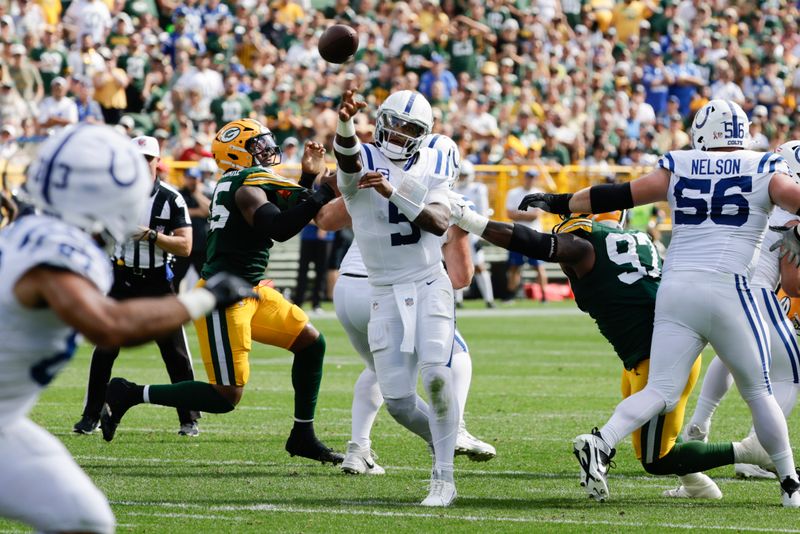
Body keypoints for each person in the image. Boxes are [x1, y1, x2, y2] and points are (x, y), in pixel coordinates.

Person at [514, 99, 800, 506]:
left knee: (662, 389)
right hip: (729, 288)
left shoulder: (681, 163)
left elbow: (619, 195)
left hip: (676, 289)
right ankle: (790, 484)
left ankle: (602, 440)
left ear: (702, 132)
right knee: (758, 391)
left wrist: (561, 201)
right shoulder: (764, 166)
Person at [0, 123, 252, 532]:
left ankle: (181, 417)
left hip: (6, 420)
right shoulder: (54, 249)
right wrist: (204, 298)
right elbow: (109, 327)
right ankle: (92, 414)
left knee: (86, 518)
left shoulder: (41, 233)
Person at [100, 119, 345, 465]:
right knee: (226, 395)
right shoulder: (245, 185)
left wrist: (308, 180)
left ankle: (302, 434)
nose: (267, 151)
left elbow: (288, 211)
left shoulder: (244, 181)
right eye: (257, 145)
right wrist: (321, 191)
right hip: (224, 294)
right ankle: (130, 393)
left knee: (310, 342)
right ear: (236, 153)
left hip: (252, 289)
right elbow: (279, 227)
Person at [316, 134, 496, 477]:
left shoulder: (383, 177)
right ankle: (454, 430)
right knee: (456, 355)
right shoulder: (446, 200)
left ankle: (358, 448)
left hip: (347, 288)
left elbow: (325, 220)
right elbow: (460, 278)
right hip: (391, 292)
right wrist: (461, 233)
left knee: (379, 370)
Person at [333, 89, 459, 506]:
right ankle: (446, 438)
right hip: (383, 289)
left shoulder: (433, 161)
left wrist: (393, 191)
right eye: (395, 123)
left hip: (427, 281)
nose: (399, 133)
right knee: (400, 403)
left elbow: (440, 222)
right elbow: (349, 165)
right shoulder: (362, 157)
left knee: (438, 377)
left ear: (423, 134)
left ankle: (444, 477)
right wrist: (346, 124)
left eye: (410, 128)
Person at [683, 139, 800, 479]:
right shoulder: (789, 213)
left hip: (712, 287)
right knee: (788, 375)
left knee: (730, 357)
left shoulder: (756, 193)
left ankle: (699, 424)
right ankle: (756, 451)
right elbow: (793, 285)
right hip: (754, 292)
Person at [73, 135, 199, 436]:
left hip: (157, 280)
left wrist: (151, 236)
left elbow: (185, 246)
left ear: (158, 162)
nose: (140, 165)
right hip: (122, 278)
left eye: (146, 159)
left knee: (176, 353)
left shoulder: (171, 198)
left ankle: (189, 417)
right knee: (104, 348)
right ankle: (91, 414)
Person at [453, 159, 495, 308]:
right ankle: (458, 299)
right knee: (456, 264)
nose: (463, 178)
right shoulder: (454, 188)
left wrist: (481, 233)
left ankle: (489, 299)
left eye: (465, 175)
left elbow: (483, 212)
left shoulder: (478, 189)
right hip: (457, 231)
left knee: (479, 266)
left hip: (473, 231)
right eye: (461, 175)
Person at [504, 168, 547, 302]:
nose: (530, 179)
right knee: (514, 266)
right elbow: (510, 214)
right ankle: (511, 294)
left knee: (538, 266)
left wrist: (519, 215)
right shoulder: (514, 193)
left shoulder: (539, 193)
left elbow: (535, 216)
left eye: (533, 177)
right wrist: (526, 215)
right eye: (529, 176)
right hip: (518, 233)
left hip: (534, 234)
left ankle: (544, 295)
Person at [173, 166, 211, 289]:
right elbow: (176, 213)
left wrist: (196, 194)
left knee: (206, 280)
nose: (192, 181)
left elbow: (209, 211)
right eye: (189, 178)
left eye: (194, 178)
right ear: (185, 178)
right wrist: (198, 212)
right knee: (175, 279)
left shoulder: (205, 193)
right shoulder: (179, 194)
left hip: (201, 247)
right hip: (183, 246)